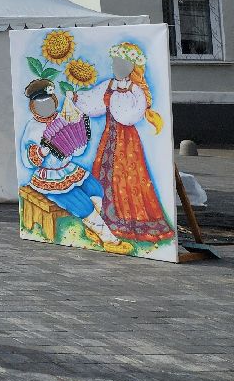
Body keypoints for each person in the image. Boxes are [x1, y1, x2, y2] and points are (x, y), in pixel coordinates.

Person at [75, 41, 175, 245]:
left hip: (127, 141)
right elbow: (93, 102)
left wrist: (113, 99)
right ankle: (107, 219)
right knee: (105, 174)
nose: (115, 68)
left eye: (120, 64)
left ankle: (131, 220)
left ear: (131, 67)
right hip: (109, 137)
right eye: (114, 64)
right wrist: (77, 98)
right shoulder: (109, 85)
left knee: (128, 177)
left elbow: (127, 116)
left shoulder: (135, 90)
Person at [19, 78, 132, 254]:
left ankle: (91, 226)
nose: (45, 108)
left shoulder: (63, 118)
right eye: (40, 104)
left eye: (48, 103)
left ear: (54, 101)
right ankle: (109, 239)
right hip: (48, 177)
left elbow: (77, 150)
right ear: (33, 106)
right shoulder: (33, 128)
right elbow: (27, 160)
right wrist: (41, 151)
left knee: (96, 189)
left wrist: (79, 140)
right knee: (82, 204)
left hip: (67, 169)